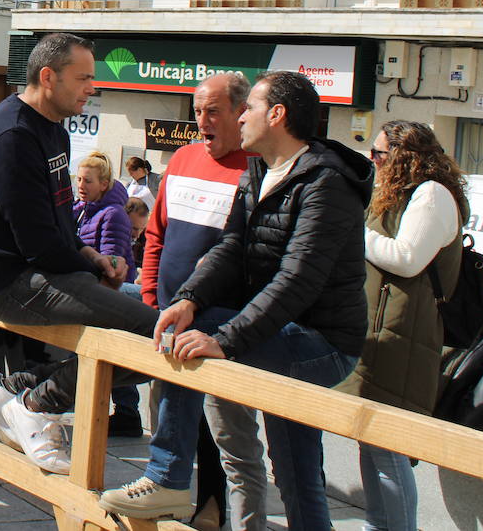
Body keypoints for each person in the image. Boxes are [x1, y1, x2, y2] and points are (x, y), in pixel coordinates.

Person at [99, 71, 371, 528]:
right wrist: (187, 298)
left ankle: (167, 477)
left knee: (295, 469)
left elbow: (297, 280)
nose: (241, 116)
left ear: (278, 115)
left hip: (321, 343)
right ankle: (170, 477)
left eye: (251, 108)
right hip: (276, 331)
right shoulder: (261, 168)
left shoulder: (326, 184)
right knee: (298, 472)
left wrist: (224, 338)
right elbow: (230, 246)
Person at [0, 33, 154, 475]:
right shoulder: (12, 135)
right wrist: (87, 265)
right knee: (153, 335)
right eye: (83, 78)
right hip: (8, 283)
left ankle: (20, 387)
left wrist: (93, 258)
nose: (92, 88)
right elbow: (37, 243)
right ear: (48, 77)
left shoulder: (52, 131)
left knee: (144, 326)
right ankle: (35, 403)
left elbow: (62, 226)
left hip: (41, 273)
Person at [138, 72, 265, 531]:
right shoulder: (183, 159)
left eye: (213, 111)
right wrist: (152, 294)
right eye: (197, 111)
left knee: (225, 428)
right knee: (170, 417)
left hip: (223, 325)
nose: (202, 121)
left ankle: (213, 506)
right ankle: (174, 496)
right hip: (167, 317)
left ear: (239, 112)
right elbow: (157, 234)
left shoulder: (258, 168)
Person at [342, 120, 468, 531]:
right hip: (383, 334)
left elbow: (407, 258)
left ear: (403, 156)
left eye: (378, 154)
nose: (373, 162)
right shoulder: (398, 195)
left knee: (386, 447)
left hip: (405, 339)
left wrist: (355, 231)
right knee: (371, 441)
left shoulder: (432, 195)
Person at [74, 150, 143, 436]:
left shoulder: (113, 214)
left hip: (107, 294)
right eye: (78, 179)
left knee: (113, 355)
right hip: (91, 290)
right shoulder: (78, 209)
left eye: (88, 181)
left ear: (104, 184)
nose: (80, 185)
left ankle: (126, 413)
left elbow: (114, 264)